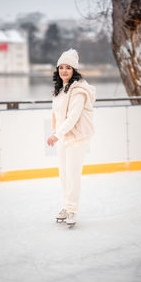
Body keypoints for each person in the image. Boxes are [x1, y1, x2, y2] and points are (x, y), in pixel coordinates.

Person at [47, 48, 96, 226]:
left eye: (68, 67)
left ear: (74, 70)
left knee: (73, 175)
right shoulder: (59, 90)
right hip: (63, 136)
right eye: (61, 67)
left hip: (77, 137)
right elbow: (57, 114)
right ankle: (67, 206)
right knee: (64, 175)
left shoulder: (79, 90)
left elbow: (73, 117)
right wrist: (57, 132)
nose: (64, 71)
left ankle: (72, 209)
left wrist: (56, 135)